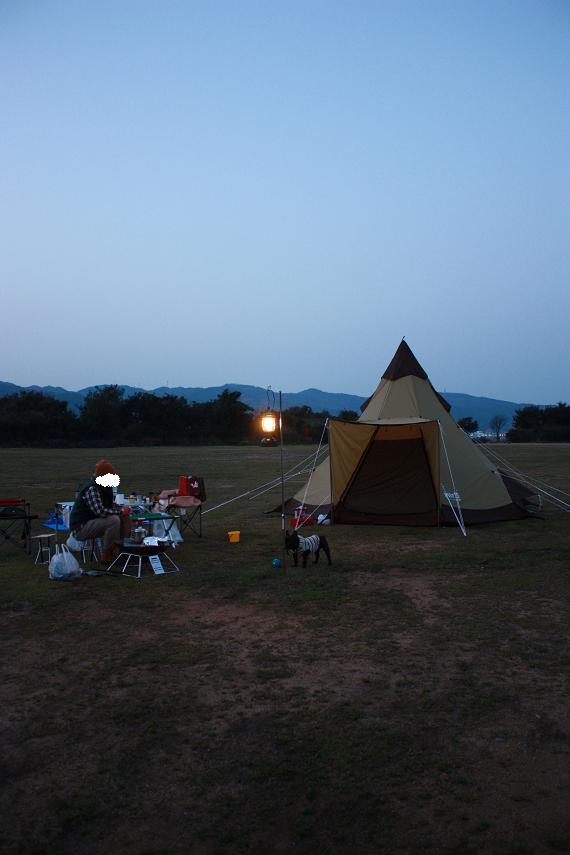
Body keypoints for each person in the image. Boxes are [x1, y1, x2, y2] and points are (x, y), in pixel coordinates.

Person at [69, 459, 130, 563]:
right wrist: (120, 511)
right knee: (114, 520)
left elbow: (109, 507)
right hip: (81, 527)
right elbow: (100, 511)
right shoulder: (92, 488)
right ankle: (106, 554)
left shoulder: (104, 488)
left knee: (125, 517)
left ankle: (123, 550)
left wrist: (122, 511)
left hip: (93, 522)